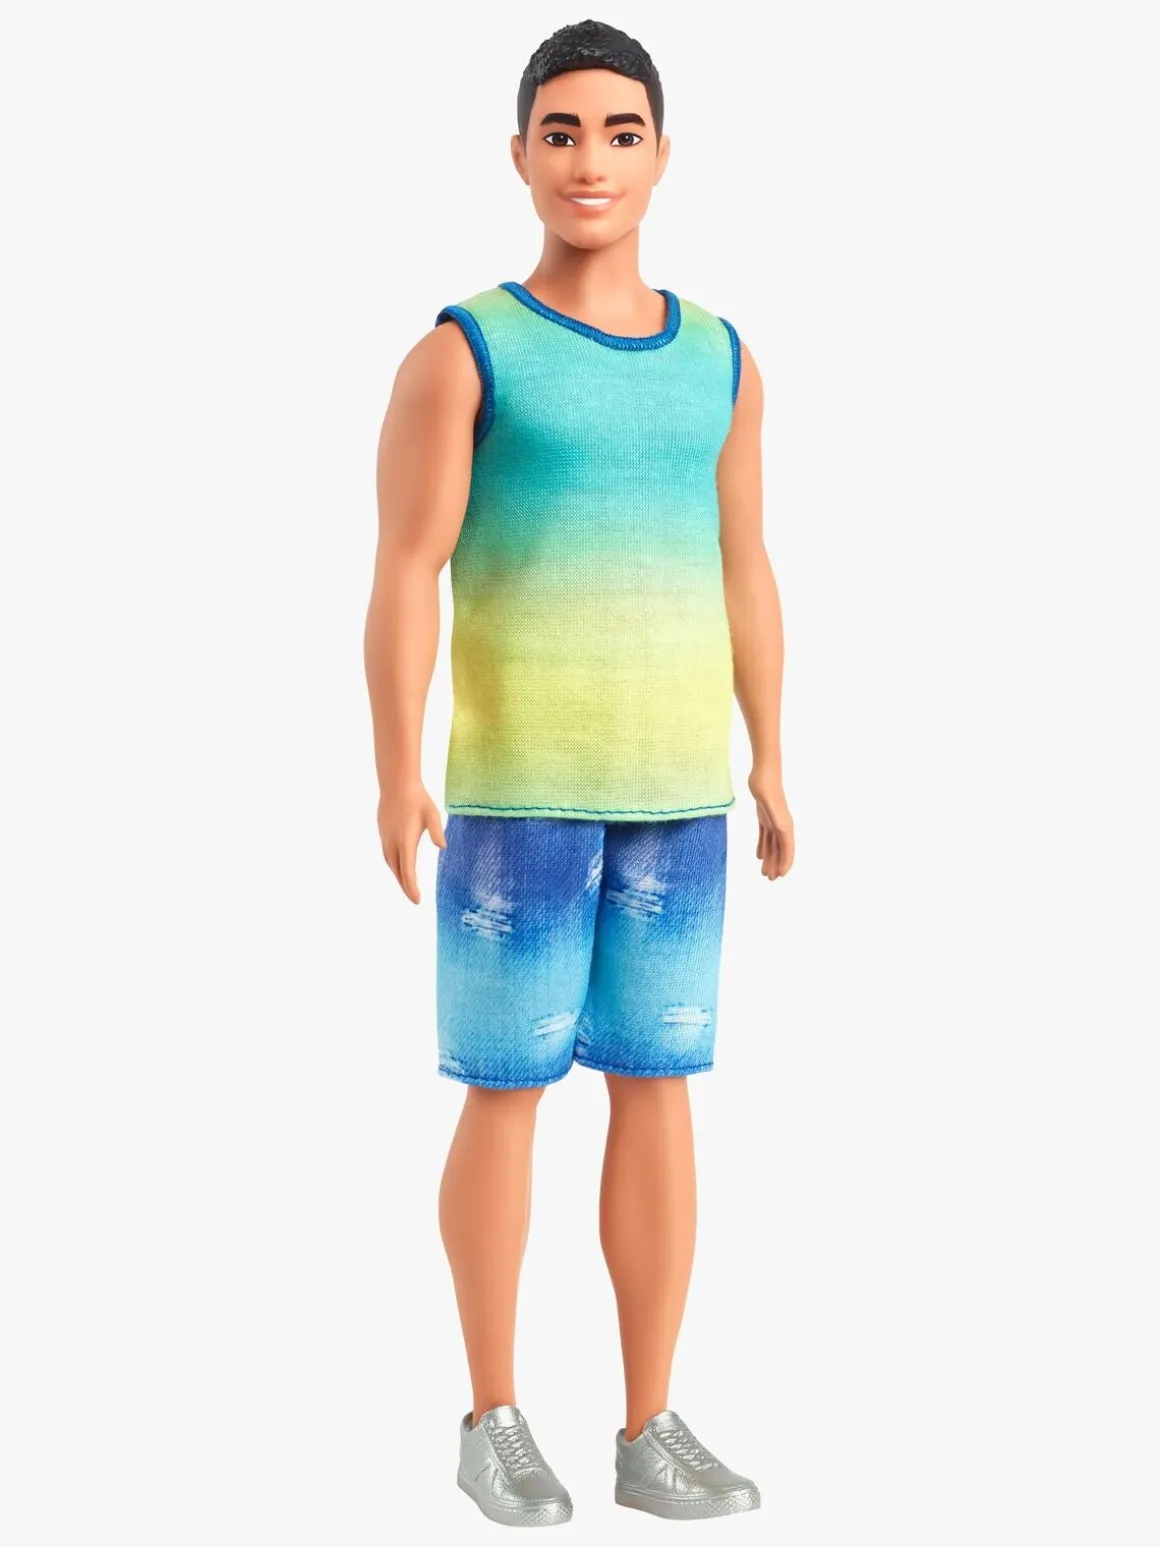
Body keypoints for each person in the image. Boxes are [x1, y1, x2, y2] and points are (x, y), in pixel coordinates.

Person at [364, 18, 794, 1527]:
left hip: (680, 794)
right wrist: (394, 768)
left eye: (620, 132)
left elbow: (747, 563)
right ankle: (490, 1412)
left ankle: (648, 1421)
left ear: (663, 155)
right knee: (505, 1094)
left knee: (660, 1091)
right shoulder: (466, 351)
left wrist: (773, 753)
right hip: (521, 798)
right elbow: (405, 568)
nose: (590, 160)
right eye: (562, 132)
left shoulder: (722, 359)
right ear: (519, 154)